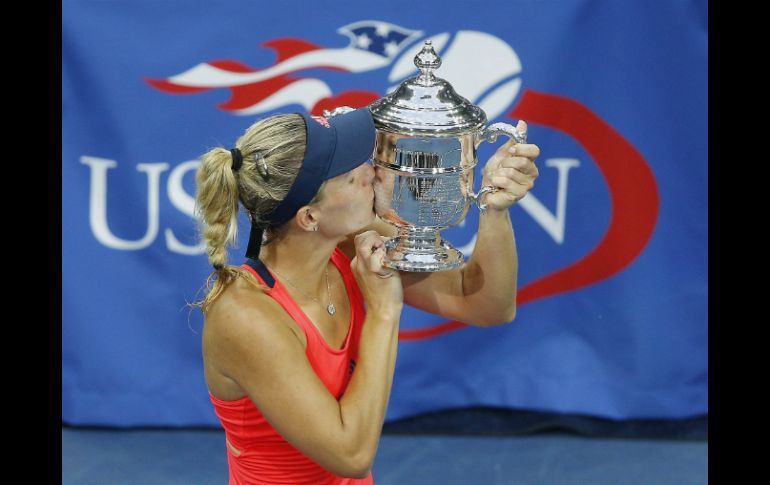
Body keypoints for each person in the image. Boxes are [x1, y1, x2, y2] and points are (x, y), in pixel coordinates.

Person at [194, 108, 540, 484]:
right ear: (309, 218)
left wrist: (493, 206)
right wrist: (384, 309)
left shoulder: (344, 243)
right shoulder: (245, 315)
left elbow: (486, 305)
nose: (372, 170)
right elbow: (351, 454)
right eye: (349, 175)